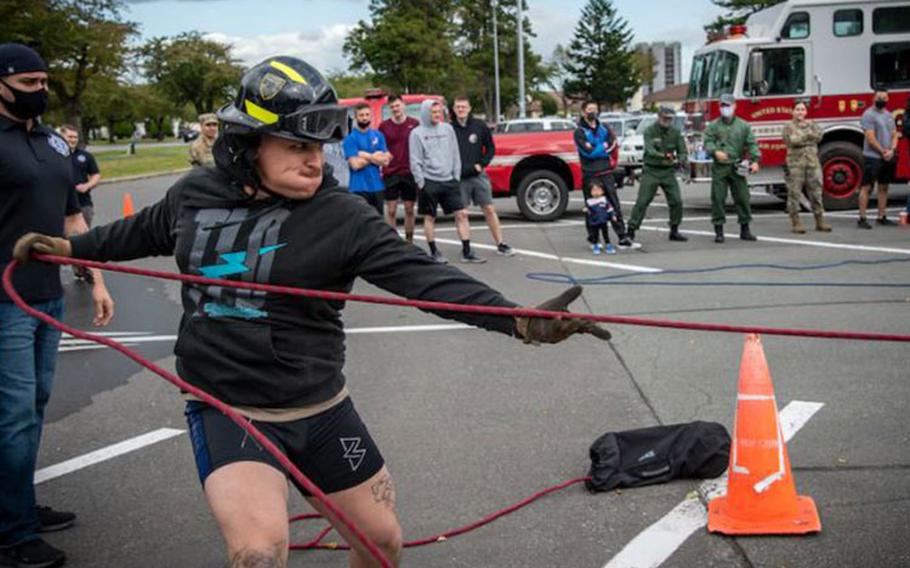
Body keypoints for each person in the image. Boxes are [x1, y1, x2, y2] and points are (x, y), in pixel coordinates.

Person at [13, 56, 610, 568]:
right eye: (296, 146)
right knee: (260, 554)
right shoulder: (193, 195)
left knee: (381, 544)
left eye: (319, 147)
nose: (315, 161)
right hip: (230, 410)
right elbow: (135, 234)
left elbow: (427, 279)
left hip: (321, 410)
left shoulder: (342, 215)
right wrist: (69, 249)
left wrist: (518, 320)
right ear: (246, 146)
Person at [0, 43, 115, 568]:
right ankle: (13, 532)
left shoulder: (51, 142)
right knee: (14, 414)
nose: (40, 93)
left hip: (47, 294)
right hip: (4, 299)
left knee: (37, 403)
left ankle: (17, 503)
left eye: (44, 82)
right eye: (28, 84)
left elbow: (72, 219)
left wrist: (94, 280)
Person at [409, 99, 485, 264]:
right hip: (429, 182)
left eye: (439, 112)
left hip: (449, 180)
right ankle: (434, 251)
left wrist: (455, 176)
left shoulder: (448, 129)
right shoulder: (416, 133)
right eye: (433, 112)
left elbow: (455, 153)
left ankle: (467, 251)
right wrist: (421, 183)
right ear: (425, 113)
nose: (437, 115)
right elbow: (415, 161)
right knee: (430, 217)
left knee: (462, 214)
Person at [451, 95, 514, 256]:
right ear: (453, 109)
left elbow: (491, 148)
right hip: (459, 178)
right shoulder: (449, 129)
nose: (461, 110)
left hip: (478, 176)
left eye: (463, 106)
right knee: (461, 213)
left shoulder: (479, 126)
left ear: (469, 108)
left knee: (489, 209)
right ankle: (466, 248)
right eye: (458, 107)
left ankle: (501, 243)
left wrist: (482, 164)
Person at [573, 101, 637, 250]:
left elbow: (613, 144)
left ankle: (622, 237)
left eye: (595, 109)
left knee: (614, 206)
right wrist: (603, 147)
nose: (593, 112)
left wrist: (599, 148)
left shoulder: (604, 128)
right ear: (583, 112)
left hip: (607, 172)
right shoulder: (579, 132)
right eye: (589, 109)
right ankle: (594, 239)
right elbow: (588, 153)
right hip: (590, 175)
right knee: (593, 207)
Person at [703, 94, 761, 243]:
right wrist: (715, 151)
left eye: (728, 105)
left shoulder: (743, 125)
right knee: (718, 198)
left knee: (742, 198)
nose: (725, 108)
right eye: (723, 105)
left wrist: (755, 160)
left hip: (737, 166)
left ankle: (745, 229)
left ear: (735, 106)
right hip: (720, 168)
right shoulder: (714, 125)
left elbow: (752, 144)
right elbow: (708, 142)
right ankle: (719, 231)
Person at [626, 107, 688, 243]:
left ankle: (674, 229)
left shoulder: (676, 133)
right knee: (643, 201)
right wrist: (665, 155)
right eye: (665, 118)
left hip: (668, 171)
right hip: (651, 170)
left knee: (676, 200)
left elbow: (682, 150)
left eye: (670, 119)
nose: (667, 121)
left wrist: (681, 160)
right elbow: (650, 150)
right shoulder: (650, 131)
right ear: (659, 117)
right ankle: (631, 230)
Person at [59, 124, 103, 281]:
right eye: (69, 137)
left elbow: (96, 175)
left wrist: (87, 186)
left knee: (83, 238)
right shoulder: (54, 155)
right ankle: (77, 267)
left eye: (75, 137)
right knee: (64, 240)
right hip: (61, 206)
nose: (73, 140)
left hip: (83, 204)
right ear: (61, 137)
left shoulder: (85, 156)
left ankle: (86, 270)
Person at [781, 100, 831, 234]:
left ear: (806, 112)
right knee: (794, 192)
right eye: (797, 109)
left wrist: (803, 137)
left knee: (816, 191)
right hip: (795, 164)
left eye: (802, 109)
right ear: (793, 111)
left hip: (812, 162)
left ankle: (819, 220)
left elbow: (819, 136)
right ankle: (796, 221)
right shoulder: (788, 127)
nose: (800, 112)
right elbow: (792, 140)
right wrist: (808, 137)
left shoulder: (812, 124)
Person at [378, 94, 419, 243]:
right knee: (391, 210)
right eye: (392, 107)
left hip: (409, 172)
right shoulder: (384, 126)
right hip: (391, 172)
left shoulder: (415, 124)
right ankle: (393, 242)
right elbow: (380, 147)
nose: (395, 109)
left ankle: (409, 241)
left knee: (409, 209)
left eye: (397, 105)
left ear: (403, 105)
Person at [857, 89, 899, 229]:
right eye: (879, 97)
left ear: (888, 99)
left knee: (884, 186)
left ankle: (882, 216)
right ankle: (862, 218)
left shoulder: (888, 115)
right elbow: (870, 137)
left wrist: (892, 150)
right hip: (872, 156)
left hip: (888, 156)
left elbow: (894, 134)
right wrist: (882, 151)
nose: (882, 99)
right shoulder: (868, 115)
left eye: (884, 97)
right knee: (867, 187)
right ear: (873, 98)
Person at [343, 103, 390, 216]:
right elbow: (355, 165)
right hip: (358, 187)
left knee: (378, 222)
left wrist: (364, 155)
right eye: (361, 115)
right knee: (361, 222)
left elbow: (385, 161)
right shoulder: (350, 138)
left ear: (371, 116)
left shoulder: (378, 136)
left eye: (367, 115)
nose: (364, 118)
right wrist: (375, 156)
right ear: (356, 117)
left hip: (377, 186)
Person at [585, 180, 616, 255]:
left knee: (605, 234)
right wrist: (587, 210)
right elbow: (589, 212)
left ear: (602, 191)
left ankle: (608, 245)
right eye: (594, 190)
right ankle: (596, 245)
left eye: (598, 190)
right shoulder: (589, 201)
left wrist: (613, 215)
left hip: (603, 220)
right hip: (594, 221)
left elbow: (610, 208)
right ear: (590, 192)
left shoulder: (604, 200)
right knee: (595, 235)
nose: (596, 192)